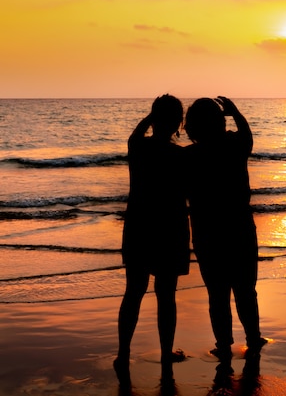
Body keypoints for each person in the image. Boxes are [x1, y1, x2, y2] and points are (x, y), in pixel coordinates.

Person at [114, 94, 191, 392]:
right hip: (170, 227)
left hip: (139, 226)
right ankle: (165, 353)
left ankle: (123, 353)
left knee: (133, 292)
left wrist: (151, 117)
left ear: (153, 118)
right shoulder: (180, 156)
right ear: (179, 123)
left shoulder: (139, 148)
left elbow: (135, 135)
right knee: (166, 295)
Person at [184, 96, 267, 361]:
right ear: (220, 121)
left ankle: (223, 343)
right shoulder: (234, 145)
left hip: (207, 231)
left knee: (217, 293)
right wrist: (236, 113)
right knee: (245, 289)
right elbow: (247, 136)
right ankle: (253, 337)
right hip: (239, 226)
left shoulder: (190, 155)